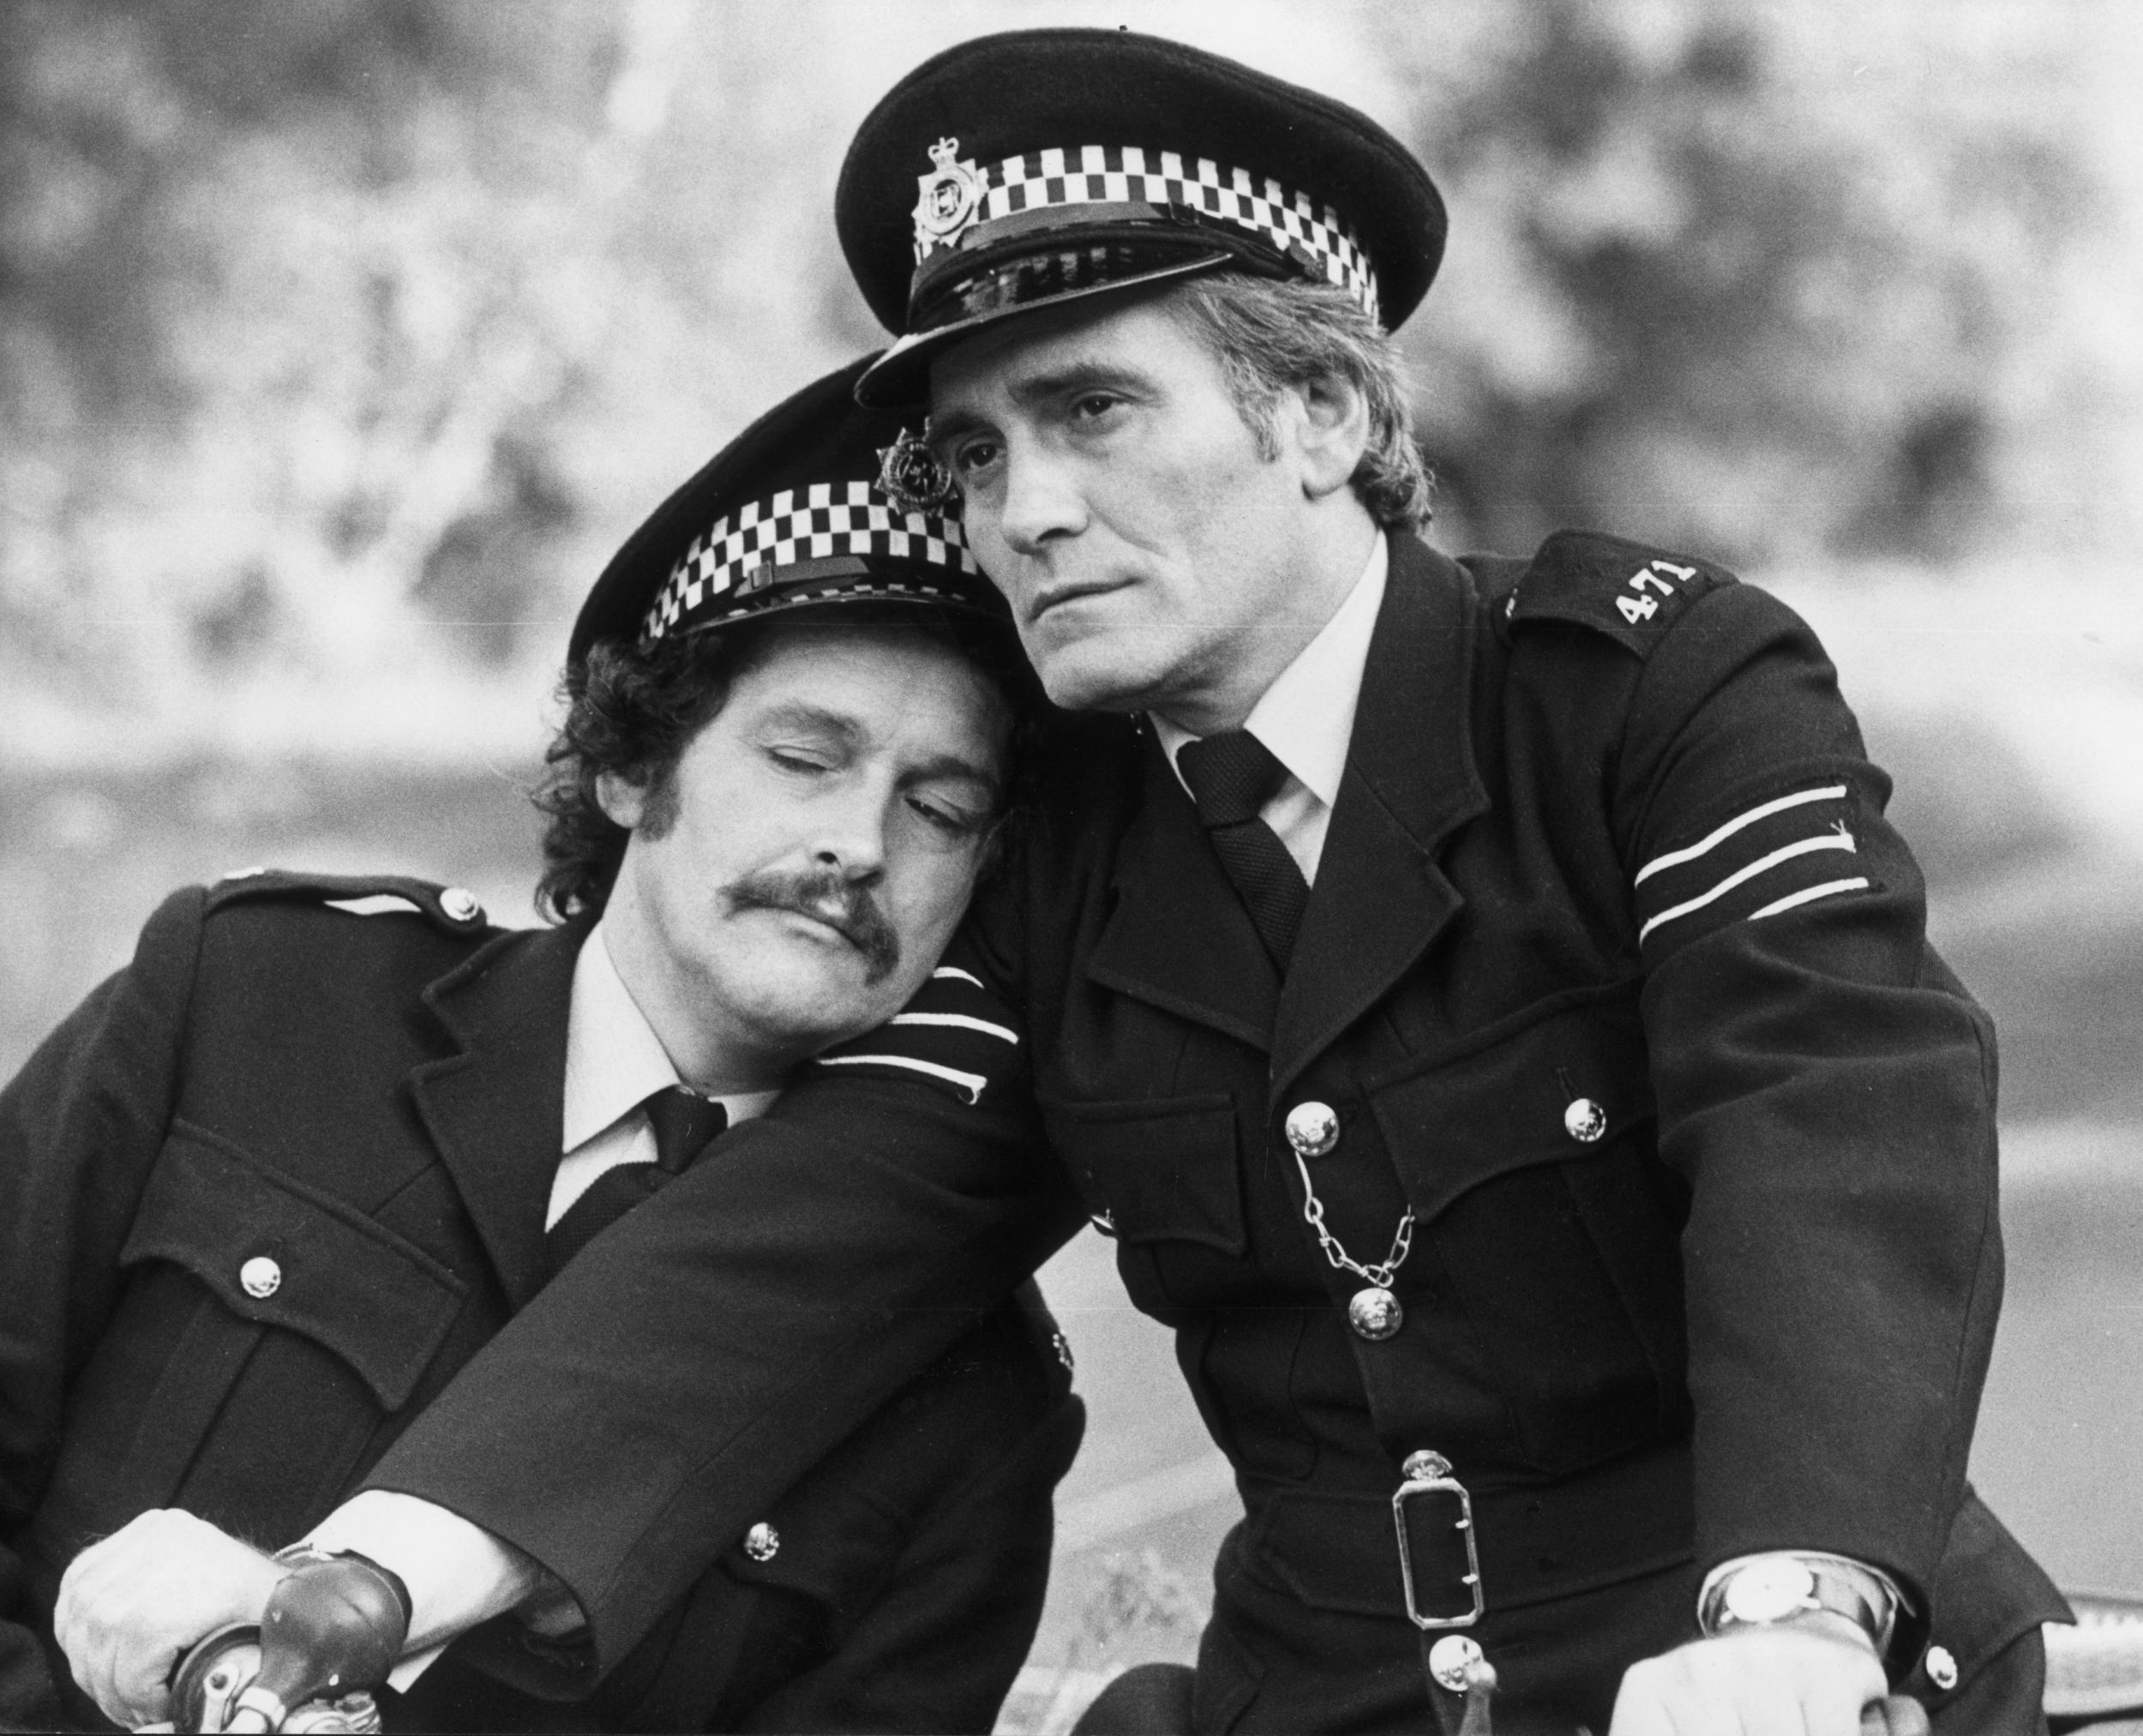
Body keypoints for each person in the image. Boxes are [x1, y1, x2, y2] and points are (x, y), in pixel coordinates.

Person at [54, 27, 2072, 1736]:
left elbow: (1827, 1118)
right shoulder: (1062, 854)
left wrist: (1791, 1608)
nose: (1021, 509)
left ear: (1320, 409)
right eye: (972, 453)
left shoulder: (1638, 695)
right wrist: (355, 1580)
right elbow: (794, 1248)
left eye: (1092, 410)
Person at [5, 357, 1084, 1733]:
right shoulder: (250, 1005)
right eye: (806, 757)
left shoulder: (970, 1398)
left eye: (939, 808)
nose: (859, 843)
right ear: (632, 764)